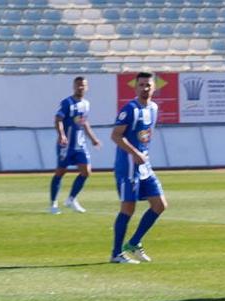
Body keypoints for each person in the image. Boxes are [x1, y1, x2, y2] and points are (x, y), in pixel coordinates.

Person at [110, 72, 166, 264]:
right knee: (128, 208)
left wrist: (143, 155)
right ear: (136, 87)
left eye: (148, 85)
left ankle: (134, 242)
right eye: (141, 85)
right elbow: (116, 135)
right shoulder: (130, 109)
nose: (145, 88)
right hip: (127, 167)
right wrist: (135, 153)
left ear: (154, 87)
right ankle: (116, 254)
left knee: (159, 205)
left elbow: (145, 135)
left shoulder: (154, 108)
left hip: (144, 165)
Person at [49, 76, 101, 215]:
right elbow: (58, 119)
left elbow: (84, 123)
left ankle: (71, 199)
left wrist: (93, 139)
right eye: (78, 85)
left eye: (83, 85)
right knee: (60, 172)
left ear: (87, 87)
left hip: (80, 145)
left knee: (86, 171)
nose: (80, 87)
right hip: (65, 146)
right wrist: (62, 135)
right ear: (74, 86)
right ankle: (53, 203)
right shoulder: (67, 103)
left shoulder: (86, 104)